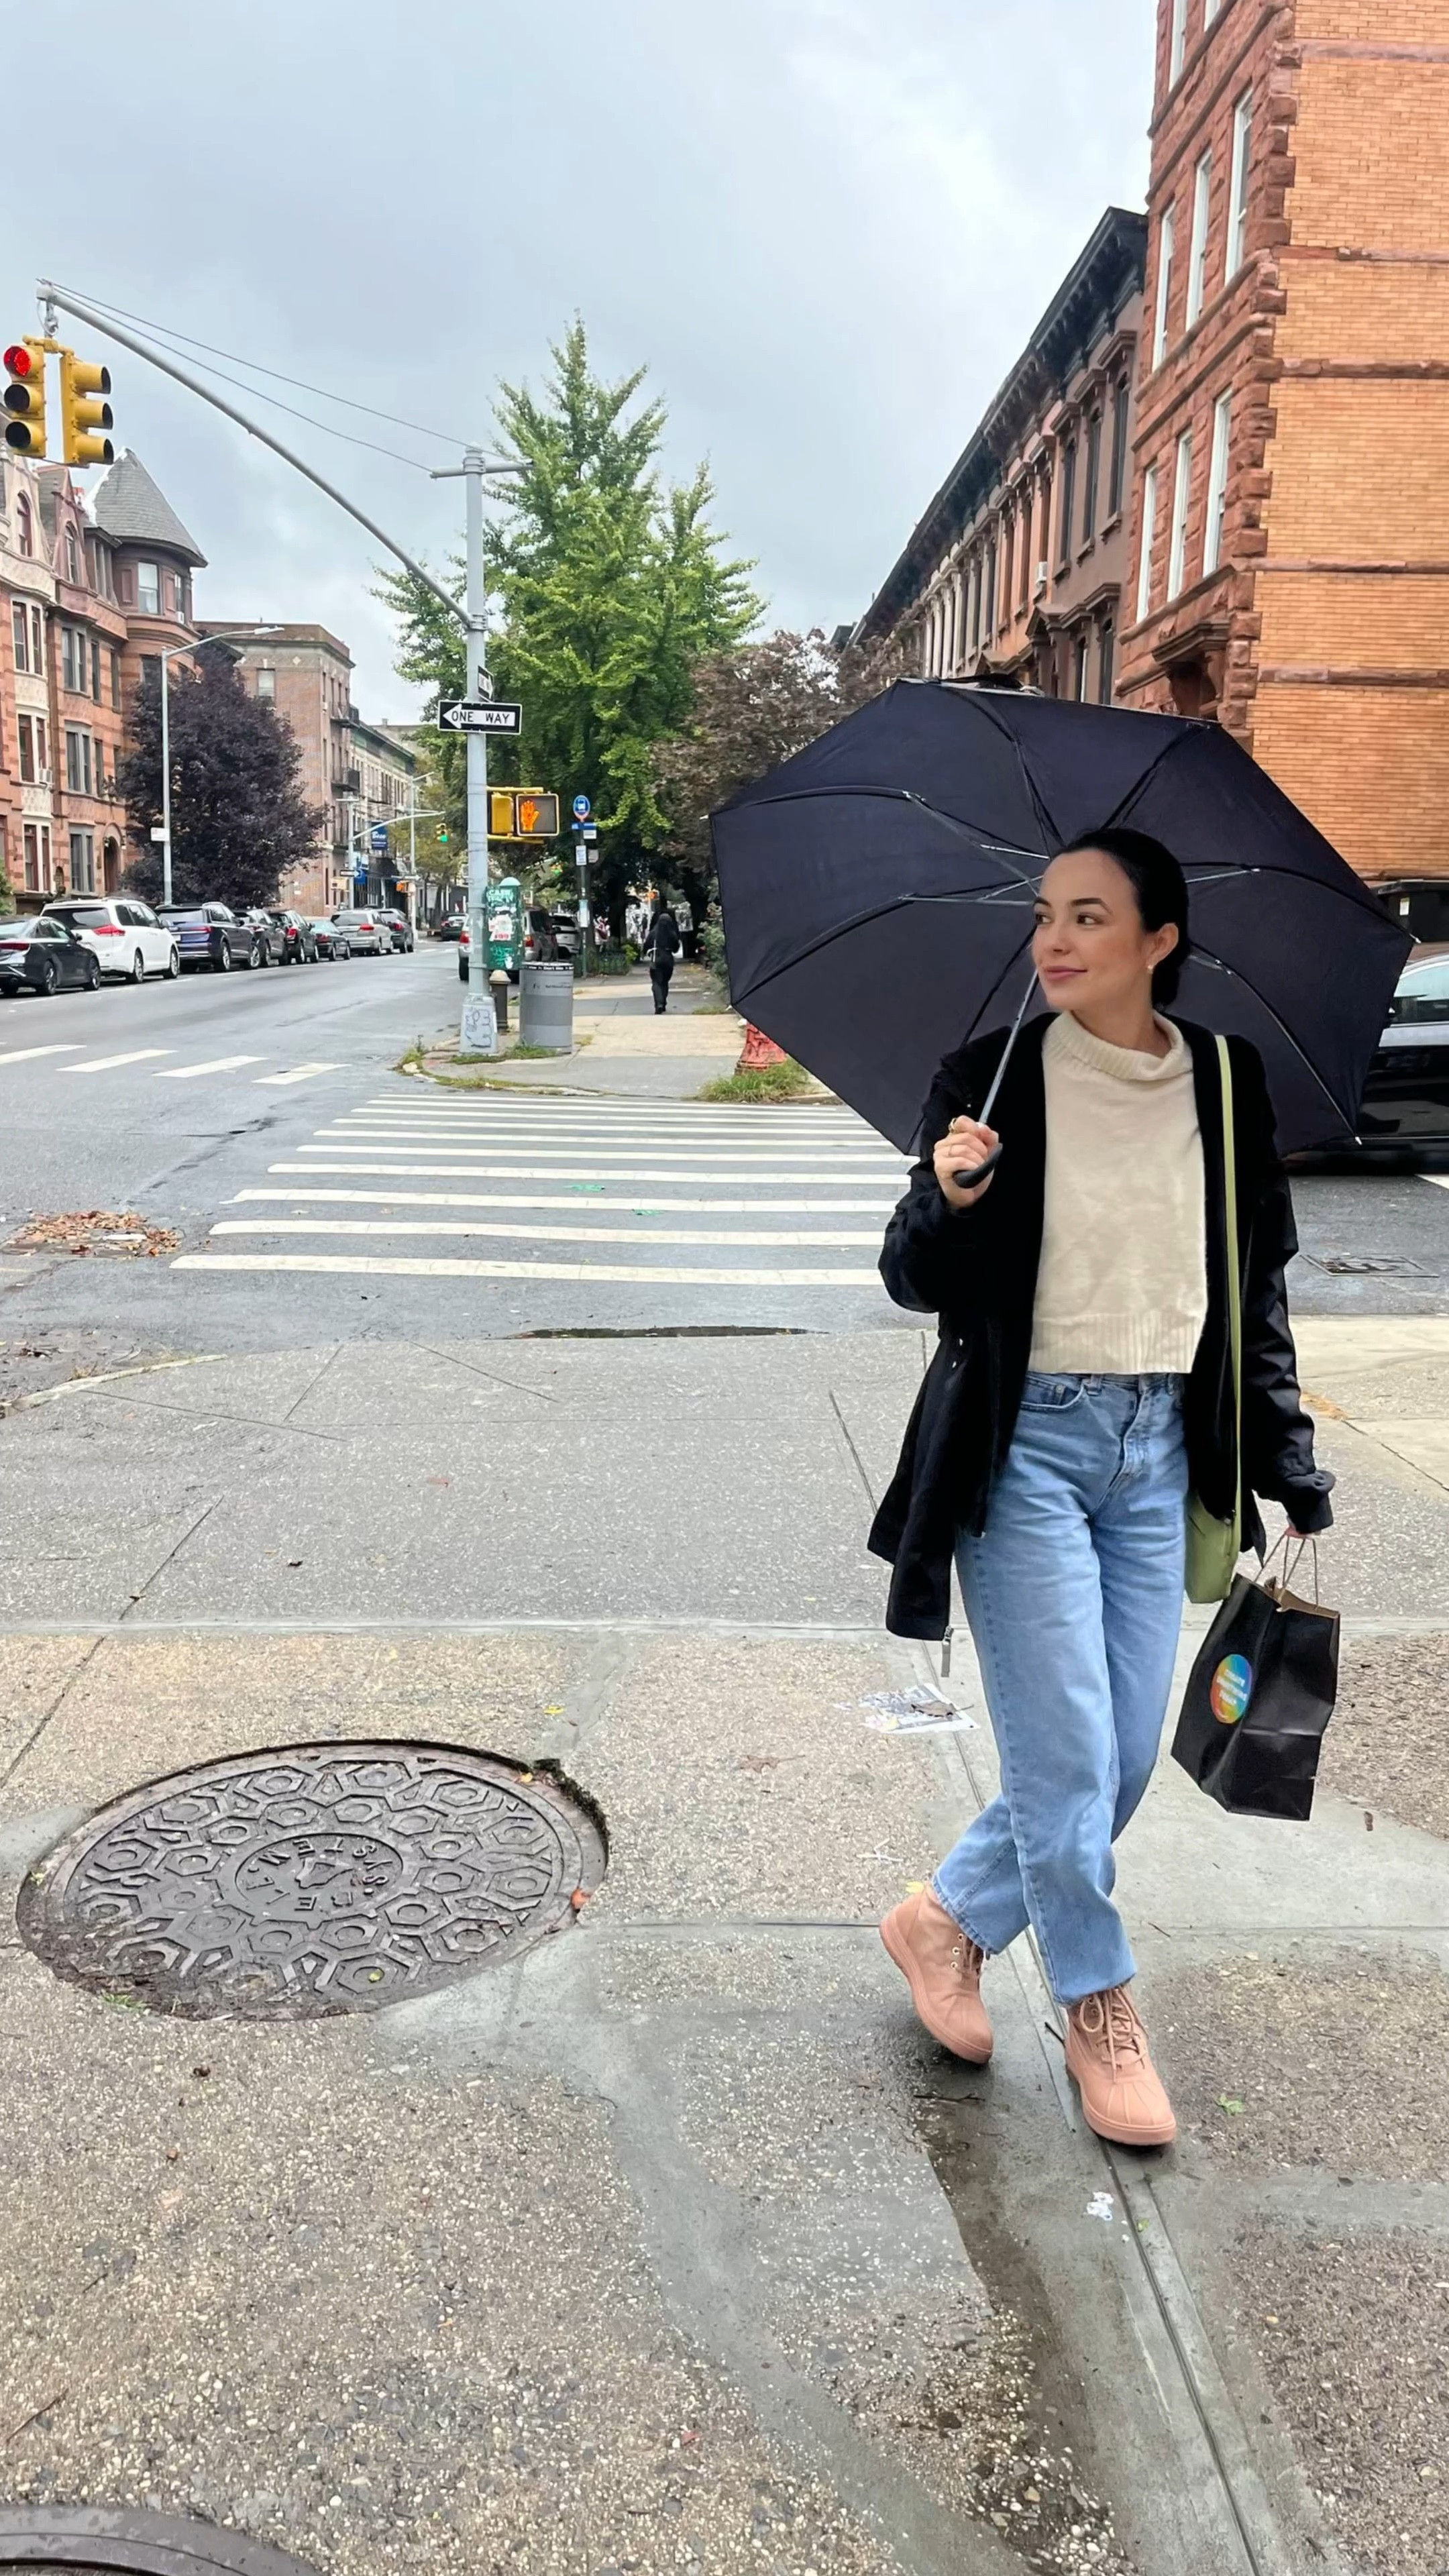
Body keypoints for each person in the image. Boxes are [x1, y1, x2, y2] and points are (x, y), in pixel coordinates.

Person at [871, 828, 1333, 2149]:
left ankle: (943, 1921)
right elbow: (913, 1280)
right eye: (1045, 916)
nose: (1055, 941)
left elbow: (1256, 1297)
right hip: (1027, 1451)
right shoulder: (993, 1080)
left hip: (1161, 1455)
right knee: (1069, 1759)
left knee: (1122, 1757)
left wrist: (1287, 1463)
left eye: (1089, 916)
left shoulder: (1227, 1088)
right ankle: (1099, 2002)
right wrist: (948, 1202)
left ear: (1159, 941)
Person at [642, 900, 681, 1013]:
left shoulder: (654, 932)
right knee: (665, 982)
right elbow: (676, 947)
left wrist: (646, 952)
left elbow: (646, 945)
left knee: (657, 982)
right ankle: (663, 1001)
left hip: (656, 958)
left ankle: (658, 1003)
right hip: (668, 960)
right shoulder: (672, 933)